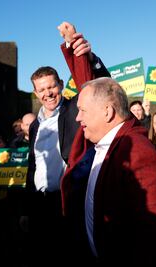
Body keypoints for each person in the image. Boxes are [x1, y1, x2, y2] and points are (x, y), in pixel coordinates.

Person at [20, 22, 109, 263]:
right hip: (40, 204)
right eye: (42, 90)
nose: (48, 93)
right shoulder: (35, 125)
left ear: (60, 85)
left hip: (67, 203)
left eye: (51, 87)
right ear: (35, 93)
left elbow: (95, 87)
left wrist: (84, 54)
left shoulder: (73, 110)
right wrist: (27, 210)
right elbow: (33, 168)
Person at [61, 77, 156, 266]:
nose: (77, 117)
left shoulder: (138, 152)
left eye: (83, 111)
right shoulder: (103, 141)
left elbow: (154, 233)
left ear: (107, 112)